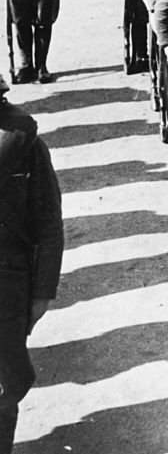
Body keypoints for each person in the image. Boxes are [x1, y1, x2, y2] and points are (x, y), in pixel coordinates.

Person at [0, 73, 63, 453]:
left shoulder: (24, 142)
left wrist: (42, 292)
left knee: (5, 384)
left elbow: (48, 226)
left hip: (7, 283)